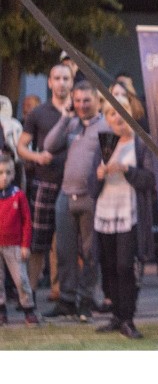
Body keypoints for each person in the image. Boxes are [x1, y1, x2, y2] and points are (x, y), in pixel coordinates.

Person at [42, 80, 110, 322]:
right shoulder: (71, 123)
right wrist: (64, 117)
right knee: (64, 252)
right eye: (78, 100)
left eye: (86, 100)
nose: (81, 105)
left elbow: (108, 161)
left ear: (97, 100)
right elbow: (49, 145)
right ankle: (67, 300)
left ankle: (86, 301)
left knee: (90, 253)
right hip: (65, 195)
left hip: (90, 196)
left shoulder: (106, 126)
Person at [93, 96, 156, 339]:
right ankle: (117, 316)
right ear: (107, 119)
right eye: (112, 113)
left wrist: (126, 169)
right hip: (105, 211)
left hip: (130, 213)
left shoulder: (142, 142)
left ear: (132, 112)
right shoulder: (105, 142)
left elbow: (151, 180)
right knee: (109, 266)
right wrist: (98, 175)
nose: (118, 116)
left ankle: (128, 319)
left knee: (125, 266)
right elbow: (91, 185)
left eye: (122, 110)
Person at [16, 64, 73, 305]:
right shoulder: (38, 113)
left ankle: (60, 292)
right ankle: (28, 294)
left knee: (66, 243)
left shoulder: (80, 109)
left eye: (66, 78)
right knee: (38, 241)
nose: (61, 83)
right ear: (49, 82)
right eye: (57, 78)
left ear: (72, 82)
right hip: (45, 183)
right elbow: (21, 147)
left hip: (72, 185)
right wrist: (37, 157)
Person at [0, 152, 38, 326]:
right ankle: (2, 310)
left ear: (13, 174)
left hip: (14, 245)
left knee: (21, 279)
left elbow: (26, 221)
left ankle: (28, 309)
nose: (4, 177)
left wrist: (25, 245)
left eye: (8, 172)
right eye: (0, 173)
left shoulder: (18, 195)